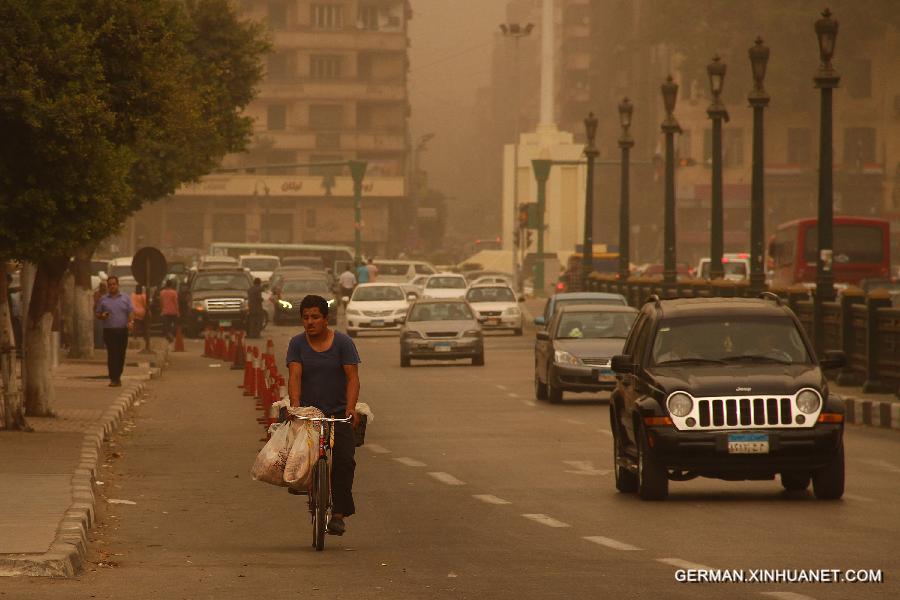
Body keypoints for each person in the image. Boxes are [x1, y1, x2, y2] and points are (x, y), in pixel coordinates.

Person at [286, 294, 361, 536]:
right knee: (300, 457)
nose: (310, 322)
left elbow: (352, 379)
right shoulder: (297, 344)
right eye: (306, 317)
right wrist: (296, 406)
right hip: (310, 414)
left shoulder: (343, 343)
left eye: (315, 317)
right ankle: (307, 485)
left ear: (325, 319)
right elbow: (295, 377)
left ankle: (338, 515)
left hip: (338, 413)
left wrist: (351, 407)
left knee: (344, 461)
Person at [95, 276, 133, 387]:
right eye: (110, 285)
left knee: (121, 355)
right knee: (112, 354)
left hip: (122, 331)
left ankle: (118, 376)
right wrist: (102, 316)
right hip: (109, 331)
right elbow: (97, 313)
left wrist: (131, 322)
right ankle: (113, 378)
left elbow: (130, 311)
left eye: (114, 284)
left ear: (118, 285)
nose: (112, 286)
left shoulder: (125, 298)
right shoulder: (103, 299)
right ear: (108, 286)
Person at [159, 278, 180, 342]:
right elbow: (176, 302)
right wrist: (178, 311)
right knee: (174, 324)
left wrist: (161, 310)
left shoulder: (162, 292)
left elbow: (161, 302)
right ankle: (171, 334)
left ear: (166, 285)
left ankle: (168, 335)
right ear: (171, 285)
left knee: (166, 325)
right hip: (173, 311)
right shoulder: (174, 293)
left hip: (165, 312)